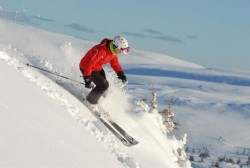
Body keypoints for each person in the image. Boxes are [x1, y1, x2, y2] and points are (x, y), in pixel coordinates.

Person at [79, 36, 130, 112]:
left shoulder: (112, 52)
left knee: (105, 87)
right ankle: (89, 102)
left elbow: (115, 64)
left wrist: (120, 74)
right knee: (103, 85)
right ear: (116, 46)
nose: (121, 52)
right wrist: (87, 78)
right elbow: (89, 64)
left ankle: (97, 101)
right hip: (86, 67)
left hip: (97, 68)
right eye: (121, 50)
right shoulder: (101, 51)